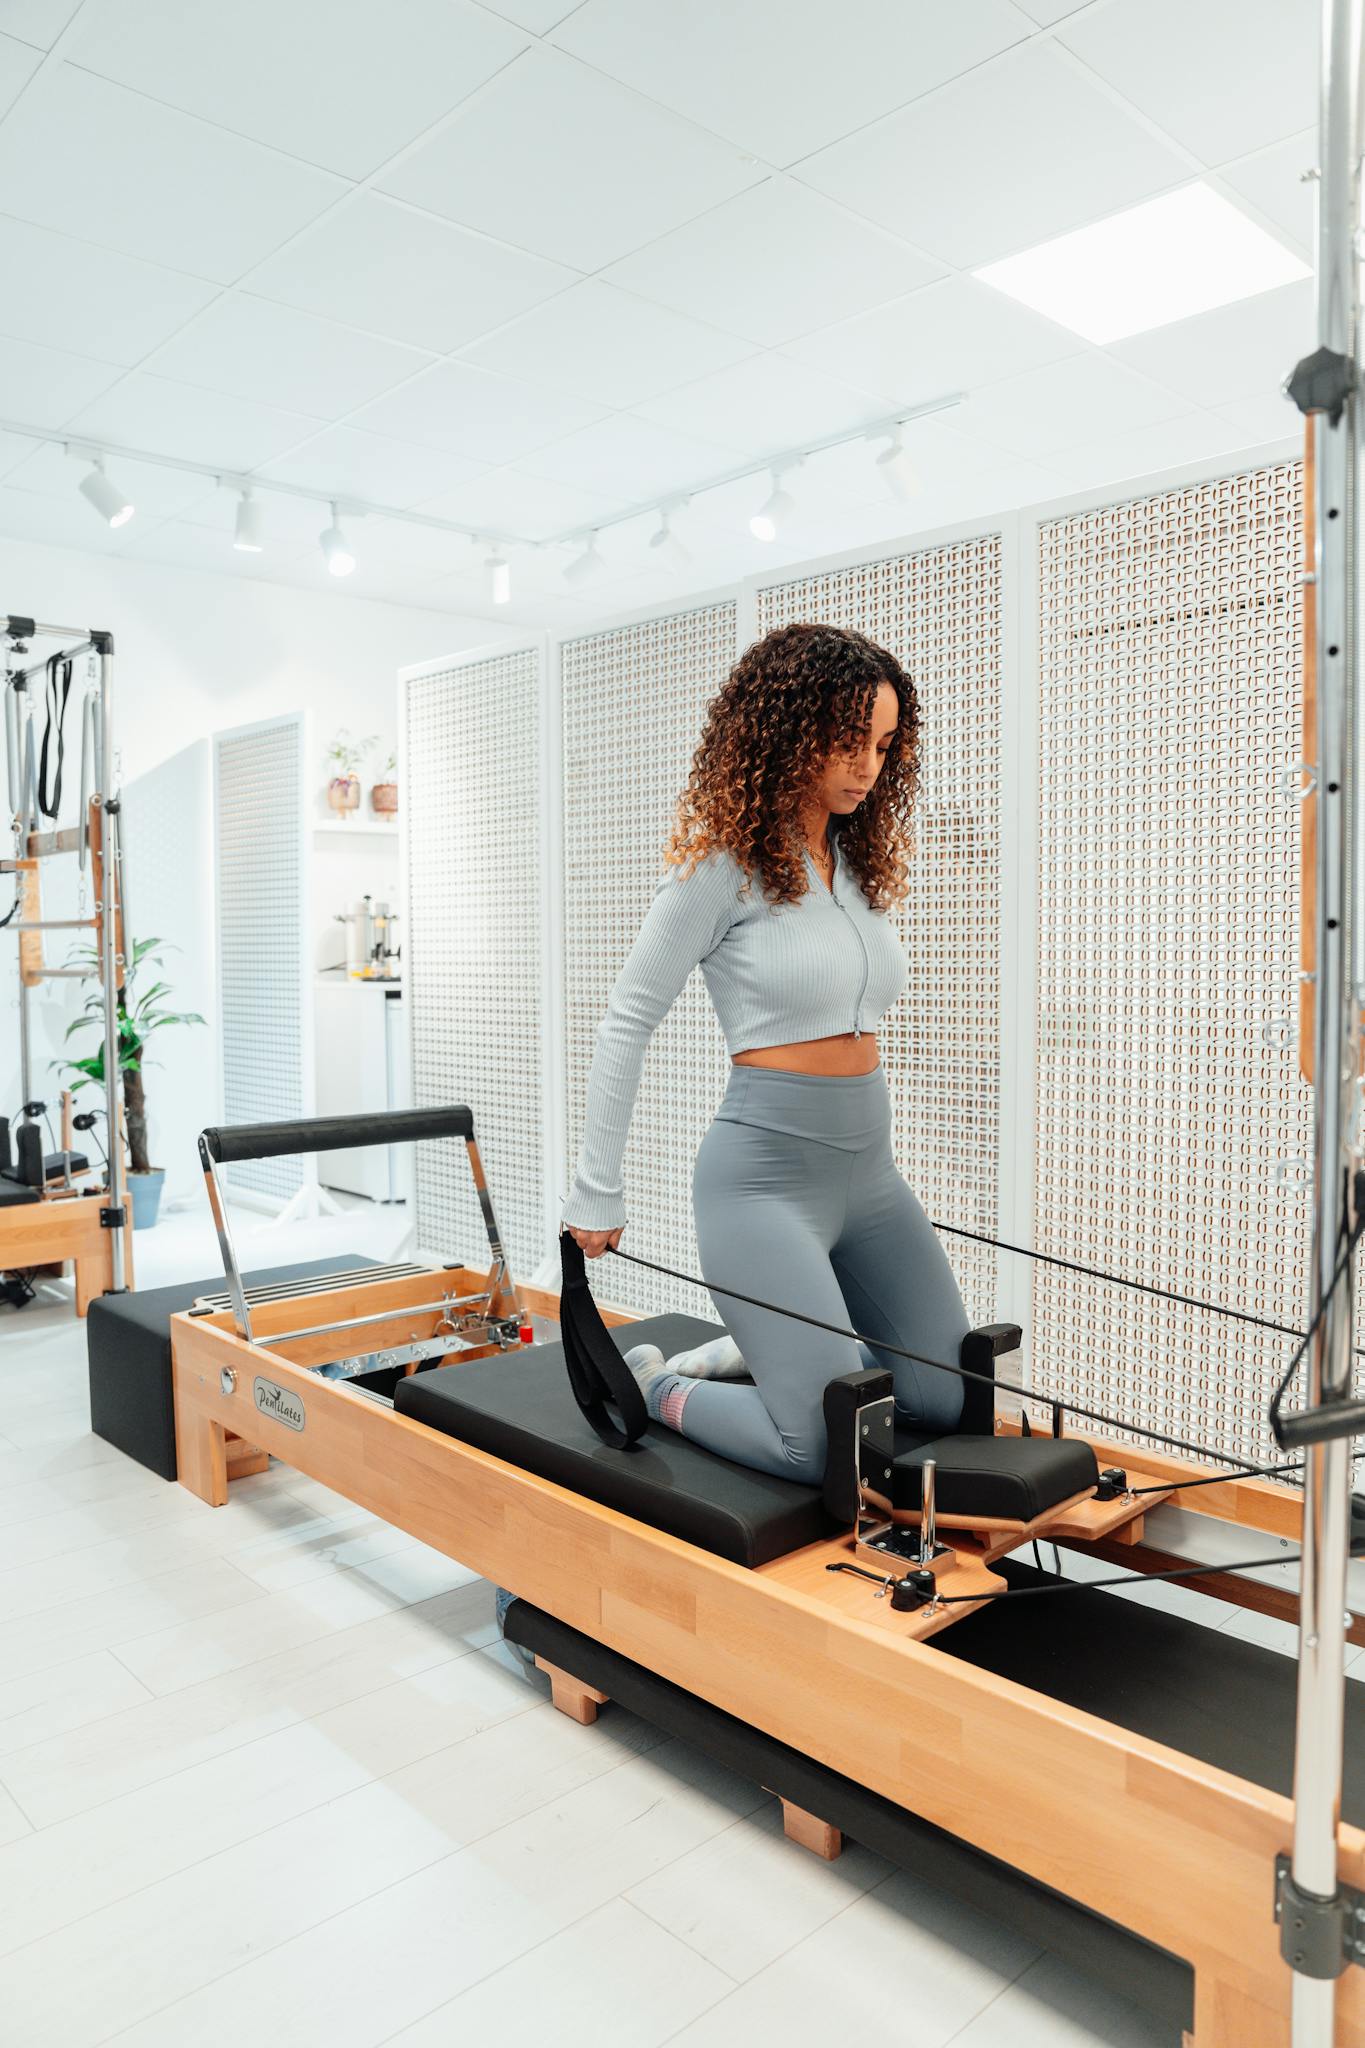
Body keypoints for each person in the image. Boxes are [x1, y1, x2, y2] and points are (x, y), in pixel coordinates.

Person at [559, 619, 969, 1484]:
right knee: (824, 1445)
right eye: (848, 741)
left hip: (870, 1176)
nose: (868, 766)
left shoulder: (850, 864)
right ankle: (665, 1387)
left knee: (945, 1398)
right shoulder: (723, 865)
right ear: (786, 733)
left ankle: (755, 1355)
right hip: (763, 1183)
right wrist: (595, 1187)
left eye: (885, 746)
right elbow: (626, 1018)